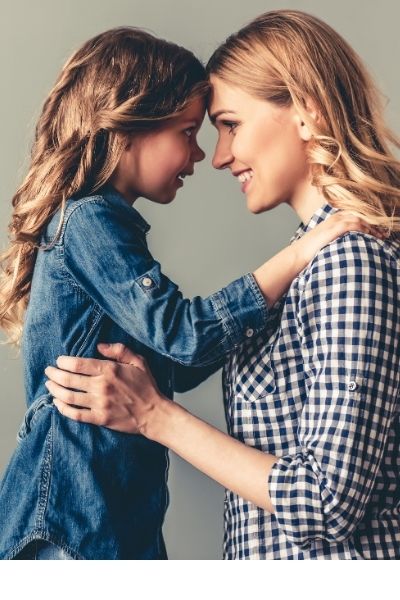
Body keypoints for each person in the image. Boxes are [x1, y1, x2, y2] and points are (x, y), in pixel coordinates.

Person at [0, 26, 367, 561]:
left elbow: (176, 361)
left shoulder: (106, 228)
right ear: (130, 126)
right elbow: (185, 337)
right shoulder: (88, 222)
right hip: (70, 522)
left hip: (111, 522)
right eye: (191, 132)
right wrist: (298, 256)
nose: (203, 156)